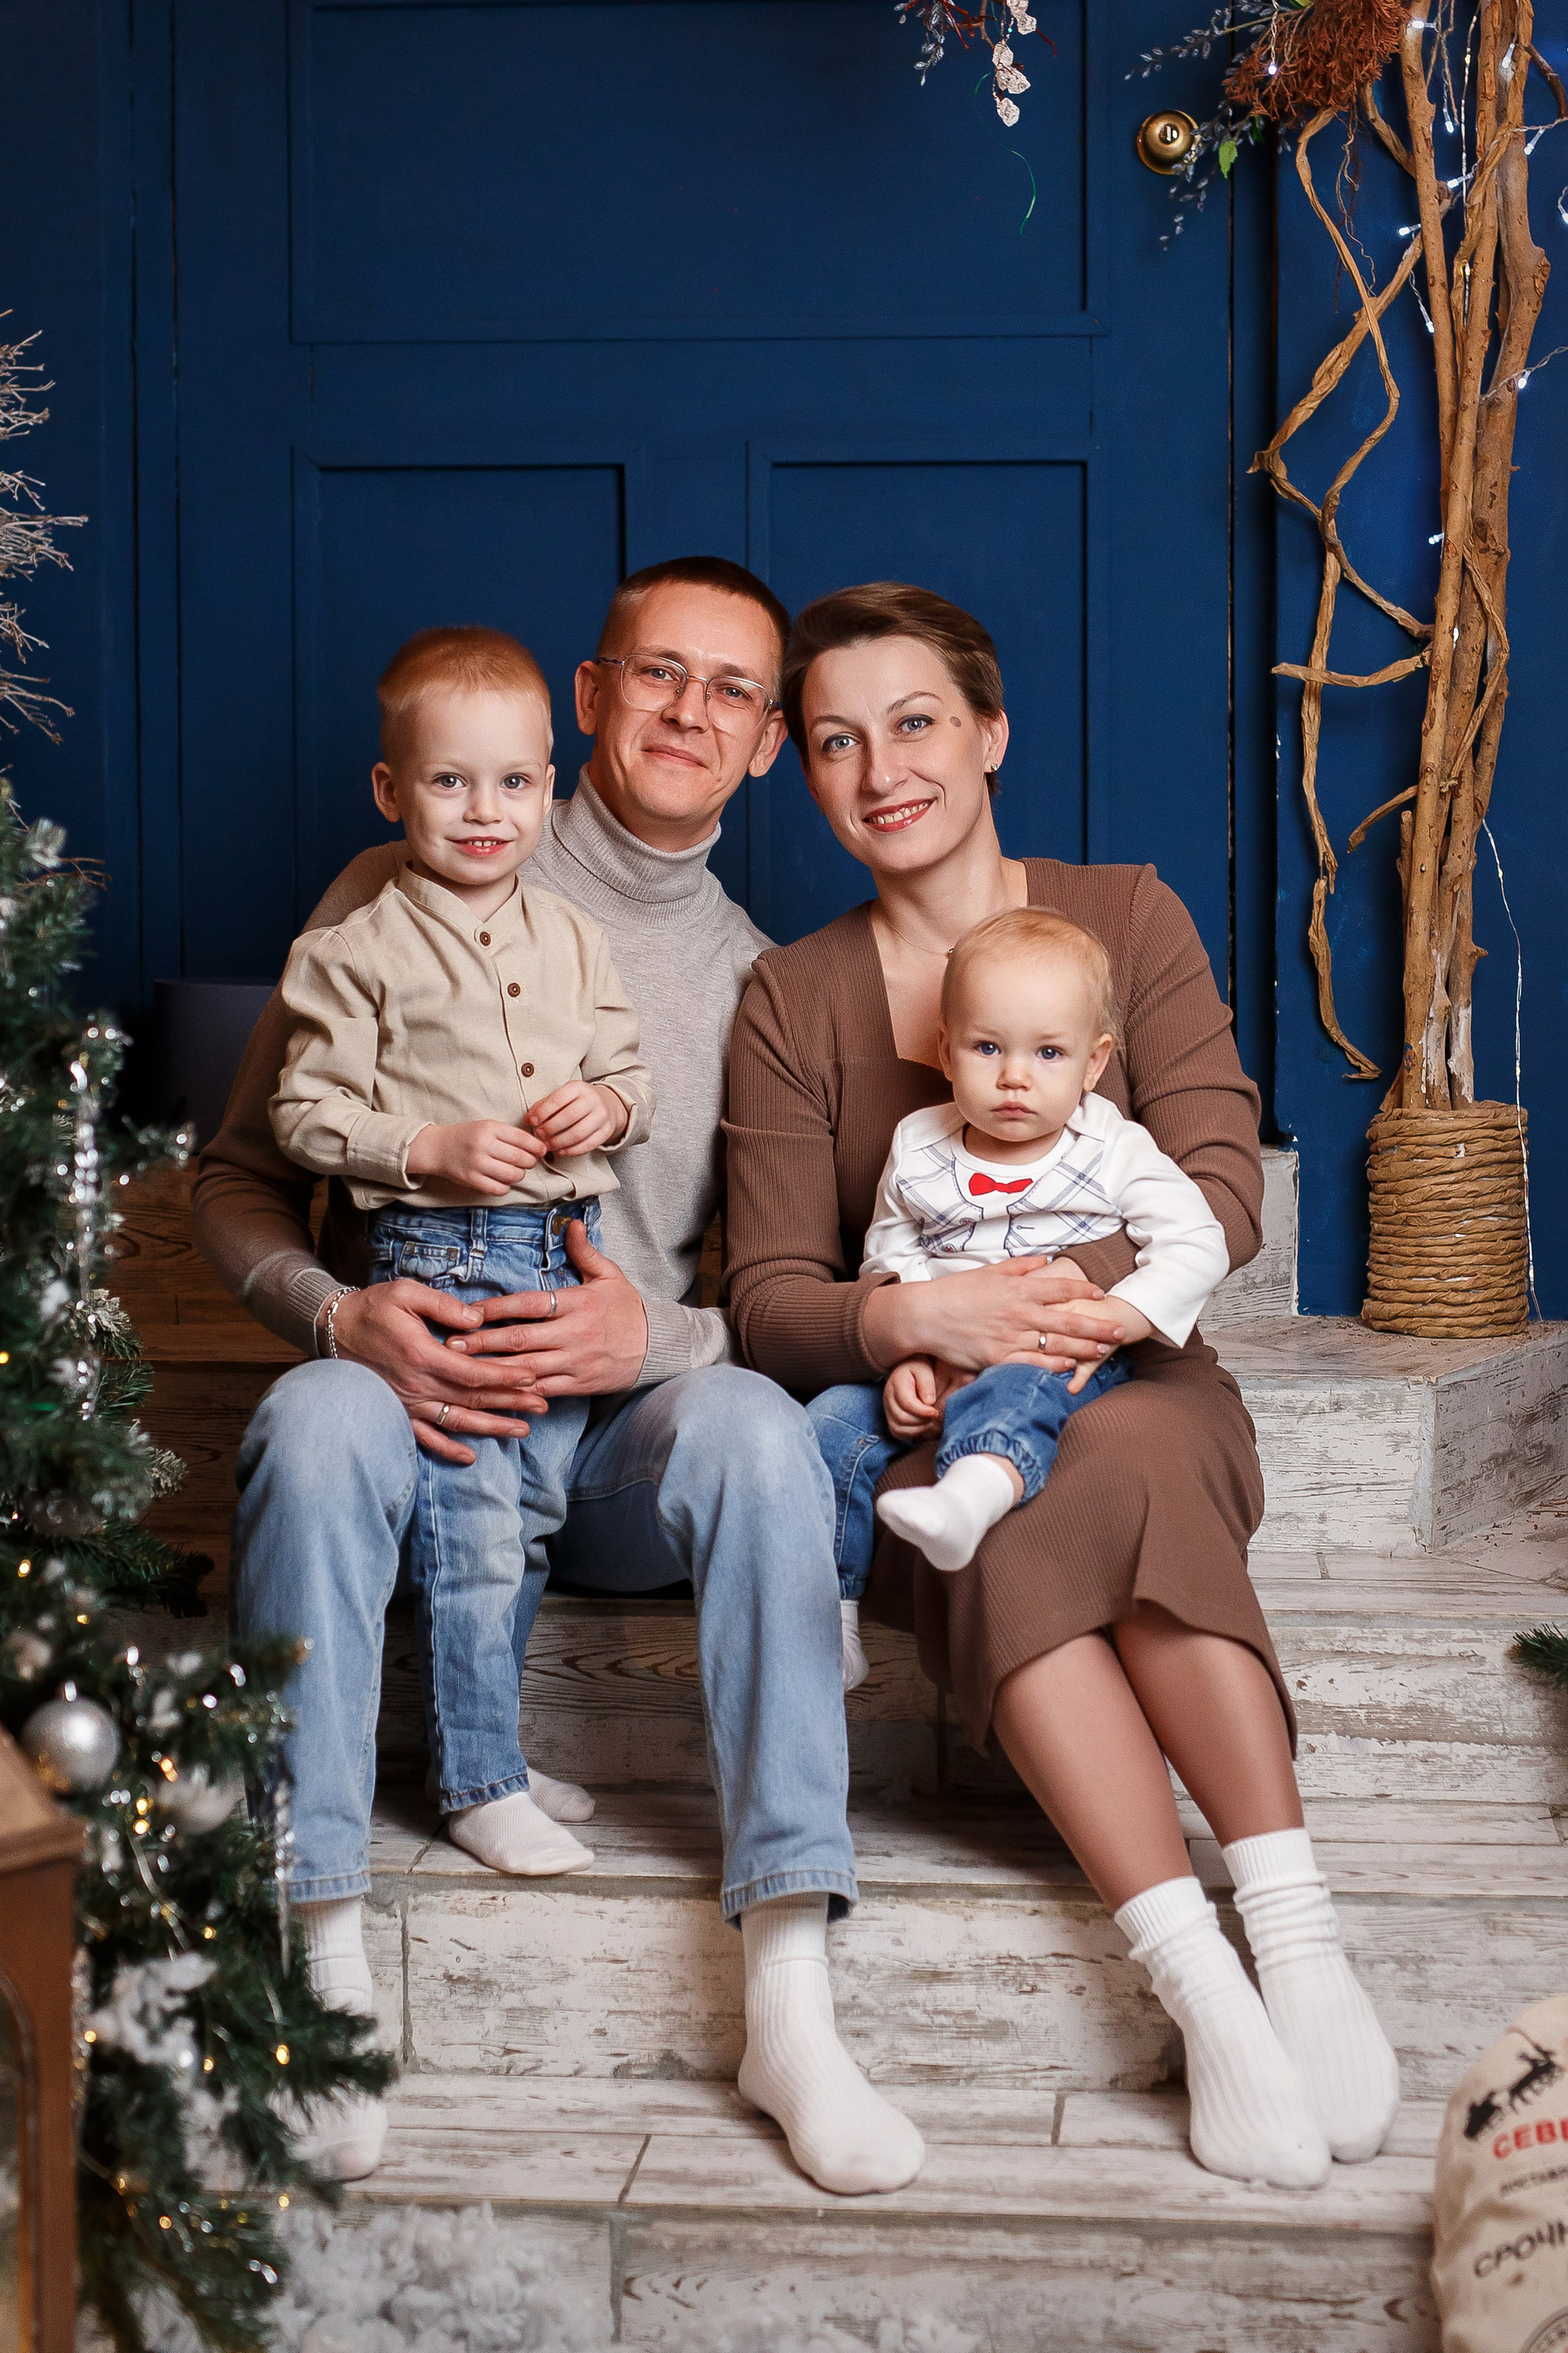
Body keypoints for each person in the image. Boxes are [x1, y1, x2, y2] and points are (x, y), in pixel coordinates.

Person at [192, 557, 925, 2198]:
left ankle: (791, 1991)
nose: (691, 712)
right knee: (311, 1424)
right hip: (414, 1393)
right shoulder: (396, 882)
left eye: (735, 692)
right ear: (588, 698)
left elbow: (786, 1301)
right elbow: (238, 1179)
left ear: (767, 746)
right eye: (660, 672)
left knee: (753, 1430)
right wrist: (338, 1315)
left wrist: (650, 1339)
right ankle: (314, 1958)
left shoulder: (766, 983)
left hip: (610, 1452)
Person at [724, 579, 1401, 2191]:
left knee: (1134, 1466)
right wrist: (920, 1325)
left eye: (915, 723)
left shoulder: (1128, 918)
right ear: (804, 772)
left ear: (991, 733)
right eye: (835, 740)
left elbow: (1220, 1184)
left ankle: (1294, 1932)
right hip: (940, 1425)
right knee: (1000, 1516)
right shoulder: (792, 999)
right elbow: (770, 1300)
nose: (880, 767)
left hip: (1137, 1368)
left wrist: (1032, 1306)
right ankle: (1204, 1990)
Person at [270, 627, 656, 1879]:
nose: (486, 810)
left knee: (527, 1514)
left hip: (556, 1258)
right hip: (439, 1258)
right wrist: (423, 1146)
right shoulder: (356, 951)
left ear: (551, 784)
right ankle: (478, 1783)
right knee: (473, 1521)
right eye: (451, 780)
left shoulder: (577, 939)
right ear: (393, 790)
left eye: (515, 782)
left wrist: (609, 1108)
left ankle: (486, 1745)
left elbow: (629, 1073)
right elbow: (302, 1115)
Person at [810, 907, 1228, 1682]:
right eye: (988, 1047)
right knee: (829, 1423)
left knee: (1018, 1386)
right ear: (946, 1050)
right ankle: (830, 1617)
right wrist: (910, 1356)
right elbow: (890, 1252)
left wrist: (1119, 1314)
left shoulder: (1111, 1148)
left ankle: (968, 1498)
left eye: (1049, 1052)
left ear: (1094, 1063)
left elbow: (1200, 1239)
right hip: (940, 1348)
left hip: (1052, 1349)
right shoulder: (918, 1144)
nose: (1014, 1076)